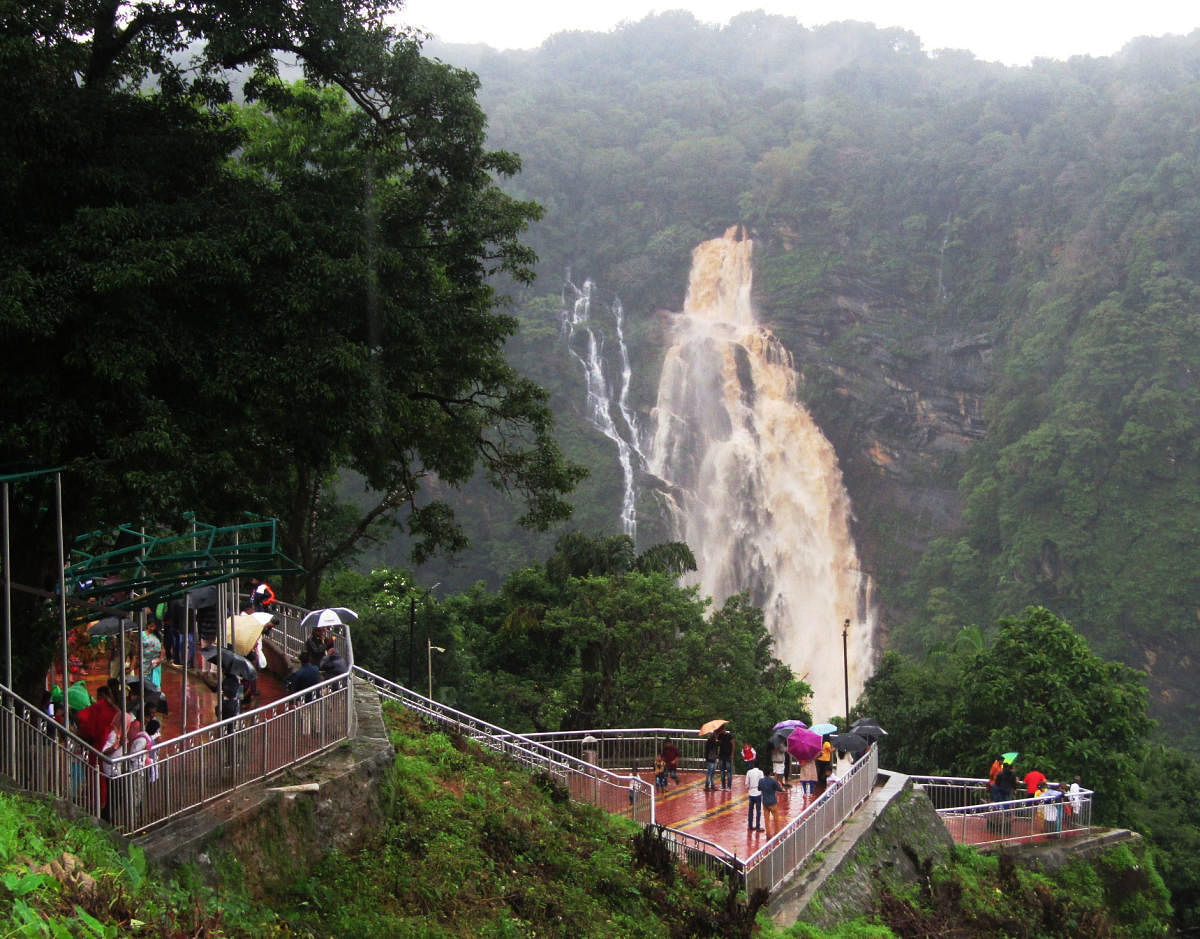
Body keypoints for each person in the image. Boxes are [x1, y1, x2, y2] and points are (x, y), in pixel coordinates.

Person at [139, 618, 164, 690]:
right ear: (147, 626)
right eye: (151, 626)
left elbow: (162, 649)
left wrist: (160, 659)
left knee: (156, 684)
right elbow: (138, 648)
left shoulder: (158, 635)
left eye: (154, 626)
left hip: (156, 663)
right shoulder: (142, 634)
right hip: (145, 663)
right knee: (146, 683)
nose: (152, 628)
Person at [746, 759, 765, 831]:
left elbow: (747, 783)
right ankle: (757, 826)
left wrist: (749, 788)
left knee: (750, 810)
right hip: (758, 793)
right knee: (758, 811)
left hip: (751, 793)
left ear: (753, 765)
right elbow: (762, 783)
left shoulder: (749, 772)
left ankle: (750, 825)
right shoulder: (760, 772)